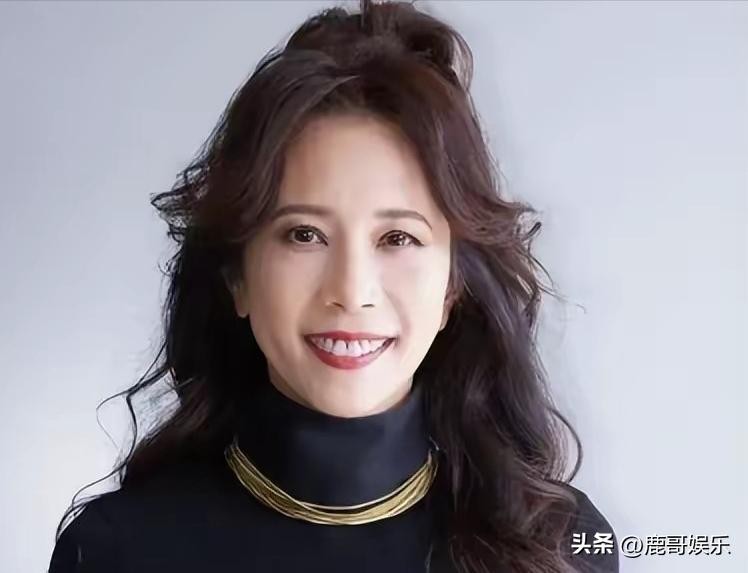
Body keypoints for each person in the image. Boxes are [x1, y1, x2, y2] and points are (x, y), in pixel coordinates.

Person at [47, 1, 619, 571]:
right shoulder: (115, 551)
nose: (351, 291)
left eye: (397, 238)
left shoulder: (561, 547)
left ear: (452, 287)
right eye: (304, 235)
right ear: (237, 277)